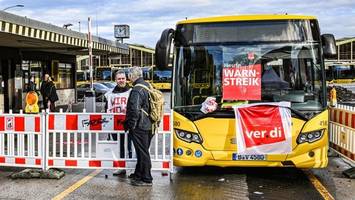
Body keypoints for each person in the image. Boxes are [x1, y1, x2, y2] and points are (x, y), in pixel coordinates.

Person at [124, 66, 153, 186]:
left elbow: (134, 110)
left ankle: (146, 178)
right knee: (142, 151)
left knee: (142, 152)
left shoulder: (136, 90)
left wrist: (131, 125)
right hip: (148, 124)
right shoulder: (147, 85)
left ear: (131, 76)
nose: (128, 78)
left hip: (139, 126)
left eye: (128, 75)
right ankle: (138, 174)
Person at [104, 70, 132, 176]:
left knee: (129, 147)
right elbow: (107, 108)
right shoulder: (110, 93)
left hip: (127, 124)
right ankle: (121, 167)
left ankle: (130, 168)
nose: (121, 80)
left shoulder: (131, 91)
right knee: (118, 147)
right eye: (119, 79)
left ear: (126, 79)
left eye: (123, 78)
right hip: (114, 125)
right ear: (115, 80)